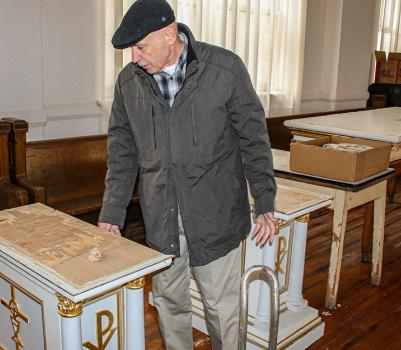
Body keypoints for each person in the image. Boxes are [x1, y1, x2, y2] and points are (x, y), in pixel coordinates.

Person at [98, 0, 277, 348]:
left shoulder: (224, 69)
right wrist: (112, 212)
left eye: (139, 46)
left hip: (216, 214)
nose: (134, 57)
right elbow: (122, 153)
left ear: (169, 34)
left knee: (221, 308)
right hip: (160, 216)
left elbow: (254, 140)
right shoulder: (129, 82)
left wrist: (265, 199)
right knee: (168, 302)